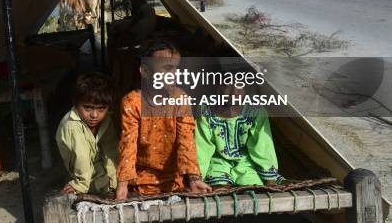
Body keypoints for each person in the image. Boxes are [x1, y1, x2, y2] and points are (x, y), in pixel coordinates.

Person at [115, 40, 211, 199]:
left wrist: (193, 179)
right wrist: (122, 185)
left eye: (177, 69)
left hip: (174, 181)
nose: (175, 75)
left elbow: (186, 141)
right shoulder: (132, 102)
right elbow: (128, 144)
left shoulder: (181, 99)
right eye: (168, 69)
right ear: (145, 71)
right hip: (139, 182)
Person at [195, 83, 284, 189]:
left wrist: (270, 180)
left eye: (240, 85)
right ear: (218, 88)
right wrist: (196, 178)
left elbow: (263, 146)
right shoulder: (205, 111)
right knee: (220, 190)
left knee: (252, 189)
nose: (234, 92)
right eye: (227, 85)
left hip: (247, 163)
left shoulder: (255, 110)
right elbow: (202, 148)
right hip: (217, 162)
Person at [56, 72, 119, 195]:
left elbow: (111, 150)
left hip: (100, 167)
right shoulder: (72, 126)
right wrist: (80, 185)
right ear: (76, 103)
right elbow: (81, 158)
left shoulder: (106, 119)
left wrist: (115, 177)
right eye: (88, 108)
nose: (94, 115)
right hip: (83, 174)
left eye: (101, 108)